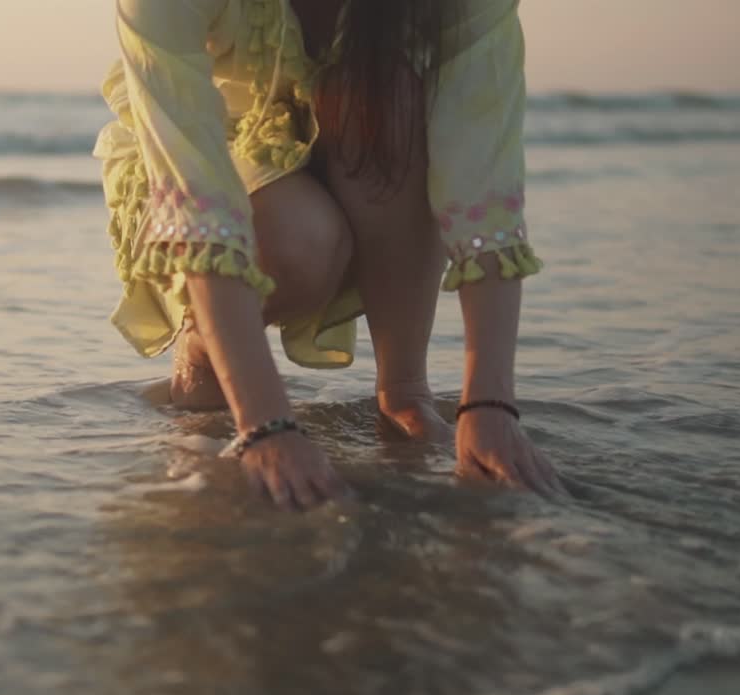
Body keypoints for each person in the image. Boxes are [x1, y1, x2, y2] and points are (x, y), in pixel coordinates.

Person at [94, 0, 565, 509]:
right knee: (306, 242)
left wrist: (490, 406)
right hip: (219, 176)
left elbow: (483, 179)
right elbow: (195, 197)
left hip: (360, 147)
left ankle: (405, 391)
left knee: (393, 100)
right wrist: (266, 425)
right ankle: (205, 340)